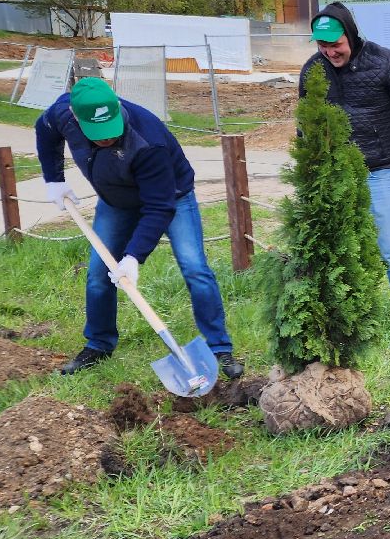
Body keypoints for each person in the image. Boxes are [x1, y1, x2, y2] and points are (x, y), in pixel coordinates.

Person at [35, 77, 243, 379]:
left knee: (195, 268)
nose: (107, 138)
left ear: (117, 107)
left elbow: (159, 207)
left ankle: (219, 348)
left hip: (171, 197)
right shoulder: (62, 113)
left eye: (111, 129)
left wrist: (133, 257)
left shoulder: (148, 139)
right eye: (98, 134)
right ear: (76, 118)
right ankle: (99, 344)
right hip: (116, 202)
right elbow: (45, 130)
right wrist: (53, 179)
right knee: (98, 275)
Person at [303, 2, 390, 328]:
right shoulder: (313, 70)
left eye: (336, 44)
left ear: (351, 34)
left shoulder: (387, 63)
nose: (330, 52)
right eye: (323, 45)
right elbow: (306, 122)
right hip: (335, 174)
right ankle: (347, 323)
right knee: (338, 252)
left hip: (381, 171)